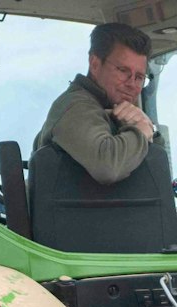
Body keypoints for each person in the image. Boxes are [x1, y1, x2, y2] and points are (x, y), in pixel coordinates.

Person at [33, 22, 161, 186]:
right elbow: (107, 167)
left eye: (139, 77)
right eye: (123, 71)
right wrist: (142, 132)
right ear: (94, 64)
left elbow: (158, 175)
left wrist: (149, 128)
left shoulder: (117, 112)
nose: (132, 84)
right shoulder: (75, 107)